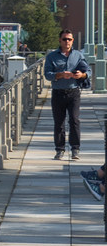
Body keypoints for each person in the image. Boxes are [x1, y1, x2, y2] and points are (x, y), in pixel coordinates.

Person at [44, 29, 89, 160]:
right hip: (58, 93)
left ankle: (75, 149)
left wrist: (82, 75)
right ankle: (59, 149)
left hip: (73, 92)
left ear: (72, 41)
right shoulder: (52, 56)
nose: (67, 42)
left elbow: (88, 71)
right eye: (64, 39)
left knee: (74, 120)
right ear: (60, 40)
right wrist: (60, 75)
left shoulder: (78, 55)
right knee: (59, 122)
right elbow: (47, 75)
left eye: (69, 39)